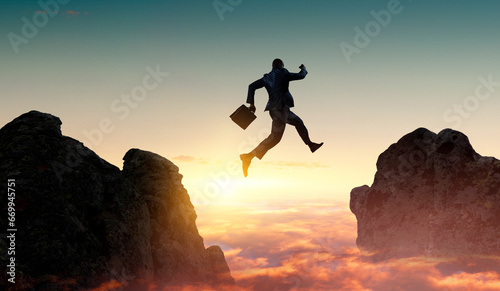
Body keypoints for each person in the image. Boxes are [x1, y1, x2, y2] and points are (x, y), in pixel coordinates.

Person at [240, 58, 323, 177]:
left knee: (299, 123)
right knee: (274, 138)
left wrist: (251, 104)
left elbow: (251, 86)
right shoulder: (283, 73)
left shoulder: (266, 77)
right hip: (281, 110)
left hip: (278, 110)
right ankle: (248, 157)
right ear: (280, 65)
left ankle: (311, 145)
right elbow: (301, 76)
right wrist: (304, 68)